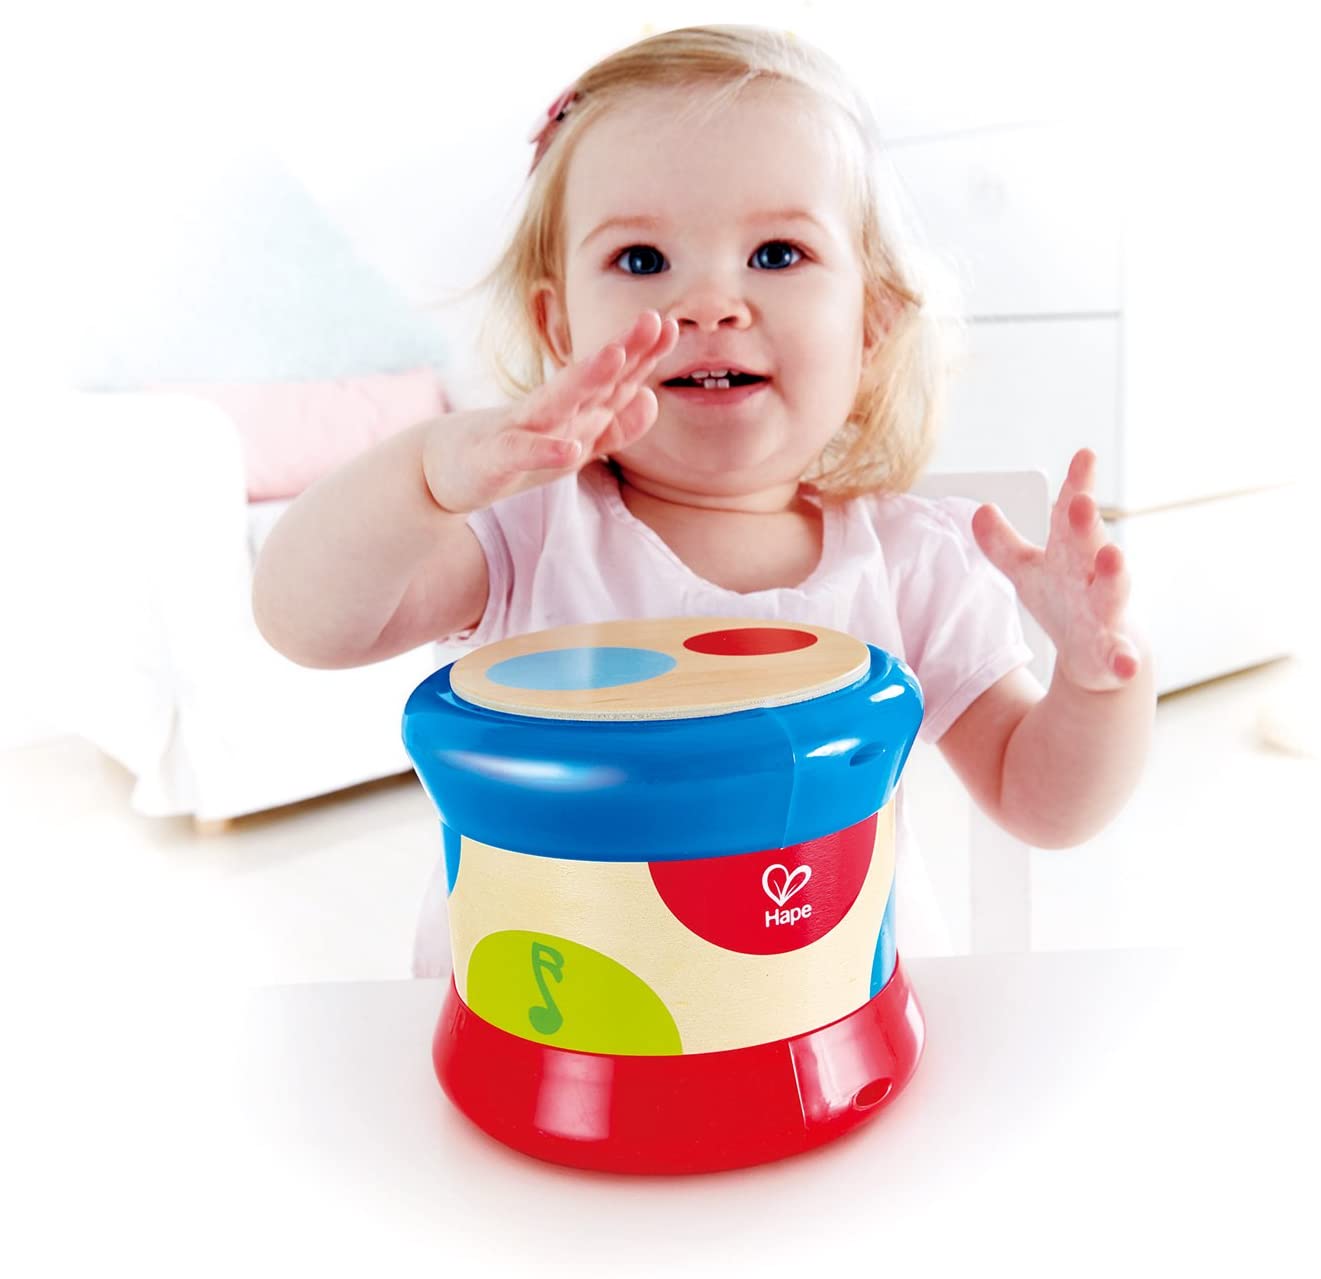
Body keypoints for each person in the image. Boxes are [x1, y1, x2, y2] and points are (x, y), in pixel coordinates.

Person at [252, 25, 1155, 978]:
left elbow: (1040, 800)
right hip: (549, 1035)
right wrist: (425, 476)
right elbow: (306, 622)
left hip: (832, 1026)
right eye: (643, 260)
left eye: (776, 252)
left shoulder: (911, 564)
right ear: (559, 327)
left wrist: (1097, 683)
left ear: (870, 321)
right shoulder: (520, 538)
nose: (711, 304)